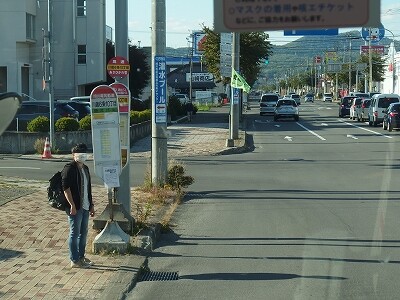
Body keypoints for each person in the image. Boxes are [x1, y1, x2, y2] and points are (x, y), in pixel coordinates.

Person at [61, 143, 95, 268]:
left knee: (83, 232)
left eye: (83, 153)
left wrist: (91, 205)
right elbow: (66, 188)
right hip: (75, 207)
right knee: (74, 233)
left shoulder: (85, 168)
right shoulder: (69, 168)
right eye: (78, 153)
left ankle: (81, 257)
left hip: (85, 205)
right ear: (73, 155)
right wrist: (72, 205)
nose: (81, 156)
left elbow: (88, 188)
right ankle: (74, 260)